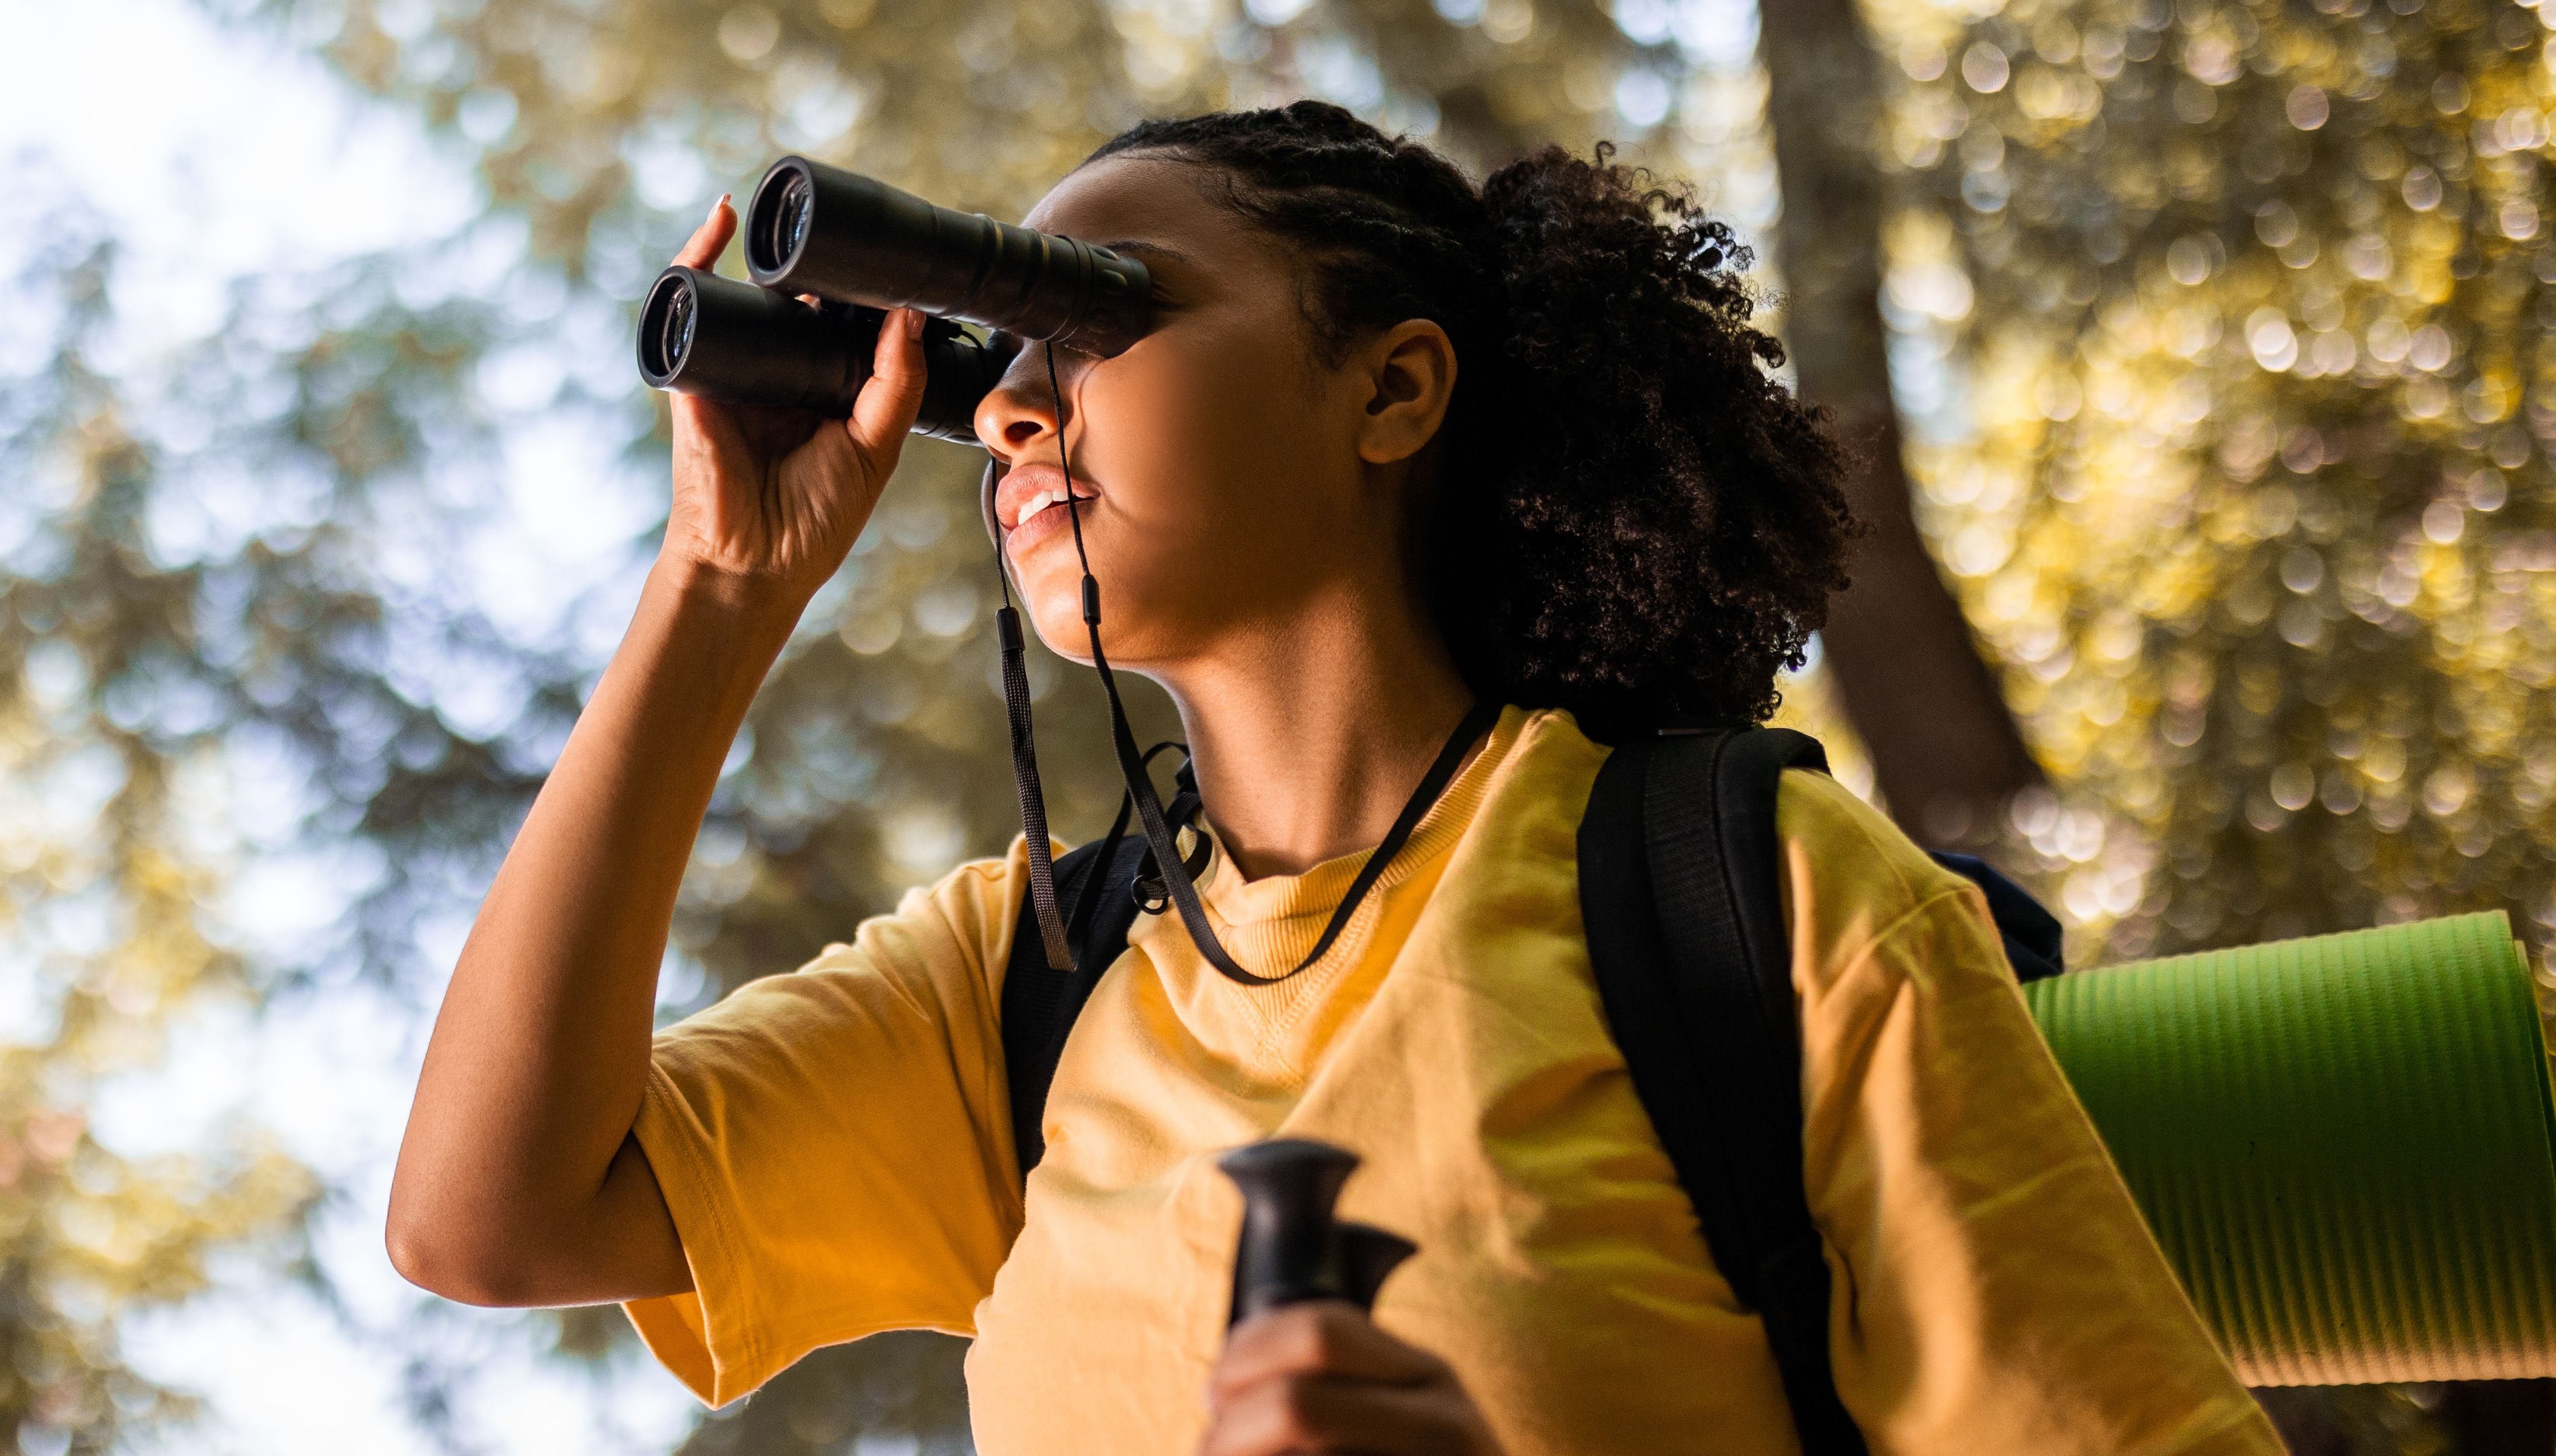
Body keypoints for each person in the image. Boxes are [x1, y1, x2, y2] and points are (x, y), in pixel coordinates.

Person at [388, 102, 2280, 1456]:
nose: (1022, 408)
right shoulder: (1027, 979)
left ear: (1393, 392)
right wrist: (722, 588)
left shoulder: (1747, 896)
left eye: (1097, 315)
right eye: (1002, 366)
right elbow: (491, 1222)